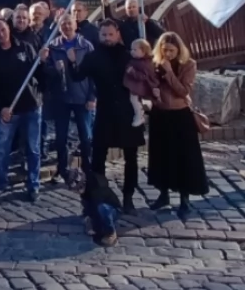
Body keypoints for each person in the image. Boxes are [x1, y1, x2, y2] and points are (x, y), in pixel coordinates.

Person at [73, 19, 144, 213]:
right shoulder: (93, 57)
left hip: (127, 112)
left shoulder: (127, 55)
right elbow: (78, 76)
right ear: (99, 35)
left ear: (117, 34)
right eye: (103, 34)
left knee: (131, 157)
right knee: (98, 157)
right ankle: (99, 196)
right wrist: (72, 63)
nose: (107, 38)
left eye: (110, 34)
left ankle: (128, 198)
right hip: (104, 112)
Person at [147, 32, 209, 219]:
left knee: (184, 158)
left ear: (179, 50)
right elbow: (148, 85)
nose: (168, 54)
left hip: (180, 115)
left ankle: (184, 198)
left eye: (172, 51)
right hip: (160, 113)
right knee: (161, 156)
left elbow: (184, 91)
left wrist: (170, 73)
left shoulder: (189, 65)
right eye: (164, 50)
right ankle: (163, 194)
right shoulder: (155, 63)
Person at [0, 18, 44, 202]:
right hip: (7, 110)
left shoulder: (25, 48)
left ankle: (33, 185)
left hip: (31, 106)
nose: (0, 34)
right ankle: (1, 183)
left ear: (8, 29)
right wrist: (0, 108)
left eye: (2, 30)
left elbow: (40, 75)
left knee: (33, 149)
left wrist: (43, 61)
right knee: (1, 149)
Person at [38, 14, 96, 183]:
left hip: (82, 97)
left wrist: (92, 96)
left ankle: (88, 168)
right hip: (61, 98)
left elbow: (94, 74)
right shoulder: (53, 47)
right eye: (63, 24)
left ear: (75, 25)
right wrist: (51, 67)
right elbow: (46, 73)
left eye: (69, 24)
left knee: (85, 136)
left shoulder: (85, 46)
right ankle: (62, 169)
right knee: (61, 137)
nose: (66, 27)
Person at [124, 40, 159, 128]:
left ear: (143, 51)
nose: (132, 52)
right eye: (131, 49)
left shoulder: (145, 63)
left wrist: (132, 72)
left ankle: (139, 115)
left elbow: (144, 76)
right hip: (136, 85)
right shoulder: (136, 61)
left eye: (135, 50)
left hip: (140, 86)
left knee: (134, 99)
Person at [82, 171, 122, 247]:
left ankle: (110, 233)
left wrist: (96, 227)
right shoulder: (87, 188)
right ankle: (91, 221)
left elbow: (95, 206)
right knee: (88, 202)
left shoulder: (98, 189)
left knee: (103, 208)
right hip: (98, 207)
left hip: (113, 210)